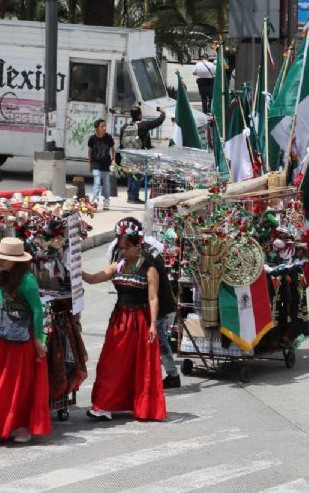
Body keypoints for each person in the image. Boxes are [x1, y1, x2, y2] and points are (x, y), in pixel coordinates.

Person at [0, 238, 50, 445]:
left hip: (21, 340)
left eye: (5, 259)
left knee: (17, 384)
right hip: (2, 337)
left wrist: (39, 340)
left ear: (17, 261)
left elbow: (37, 310)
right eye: (0, 258)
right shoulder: (4, 277)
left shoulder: (27, 281)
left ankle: (17, 426)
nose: (0, 262)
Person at [82, 220, 166, 421]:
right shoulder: (117, 265)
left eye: (128, 247)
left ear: (139, 245)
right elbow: (94, 278)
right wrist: (75, 270)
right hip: (119, 321)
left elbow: (153, 298)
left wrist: (153, 324)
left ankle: (141, 406)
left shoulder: (149, 269)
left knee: (138, 365)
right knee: (111, 363)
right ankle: (104, 405)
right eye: (121, 247)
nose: (124, 251)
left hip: (140, 322)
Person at [105, 218, 180, 389]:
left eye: (125, 245)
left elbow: (150, 289)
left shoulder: (144, 256)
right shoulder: (144, 249)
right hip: (151, 303)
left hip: (153, 304)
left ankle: (171, 375)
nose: (122, 250)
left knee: (157, 341)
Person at [119, 106, 166, 204]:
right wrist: (163, 112)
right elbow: (158, 121)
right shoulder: (143, 125)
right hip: (139, 155)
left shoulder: (124, 127)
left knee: (131, 175)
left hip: (128, 155)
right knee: (137, 175)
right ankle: (133, 197)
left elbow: (121, 141)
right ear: (140, 114)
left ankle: (130, 196)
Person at [88, 119, 115, 211]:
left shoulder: (108, 137)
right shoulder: (92, 138)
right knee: (97, 181)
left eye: (105, 126)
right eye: (102, 126)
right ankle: (95, 200)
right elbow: (90, 151)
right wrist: (90, 163)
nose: (104, 128)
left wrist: (113, 160)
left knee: (106, 184)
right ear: (97, 128)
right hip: (96, 163)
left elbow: (113, 149)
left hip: (106, 164)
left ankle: (106, 200)